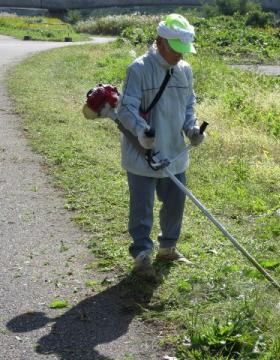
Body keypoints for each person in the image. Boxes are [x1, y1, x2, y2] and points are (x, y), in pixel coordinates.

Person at [114, 14, 204, 276]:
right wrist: (142, 132)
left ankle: (168, 248)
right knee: (142, 207)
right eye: (176, 49)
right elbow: (126, 109)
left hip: (175, 151)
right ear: (160, 42)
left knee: (176, 202)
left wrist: (192, 129)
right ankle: (142, 254)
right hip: (144, 153)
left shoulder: (184, 70)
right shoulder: (138, 69)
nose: (179, 55)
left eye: (183, 50)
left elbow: (189, 104)